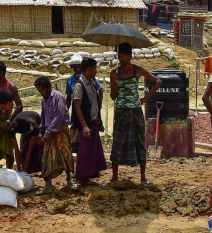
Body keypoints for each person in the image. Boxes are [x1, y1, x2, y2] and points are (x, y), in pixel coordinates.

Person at [108, 42, 162, 186]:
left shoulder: (138, 71)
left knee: (139, 141)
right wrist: (113, 83)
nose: (121, 60)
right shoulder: (114, 73)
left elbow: (157, 82)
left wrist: (145, 98)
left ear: (130, 56)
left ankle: (143, 177)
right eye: (119, 57)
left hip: (136, 111)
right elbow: (113, 96)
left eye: (123, 57)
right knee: (118, 141)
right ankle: (114, 176)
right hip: (120, 111)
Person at [36, 76, 76, 193]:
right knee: (47, 157)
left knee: (65, 154)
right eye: (39, 91)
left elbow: (59, 115)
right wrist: (41, 131)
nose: (41, 93)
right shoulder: (44, 100)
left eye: (42, 90)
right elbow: (43, 117)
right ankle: (48, 185)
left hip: (60, 130)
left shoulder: (58, 97)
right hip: (49, 131)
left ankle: (69, 181)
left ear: (48, 87)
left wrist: (49, 131)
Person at [72, 58, 107, 186]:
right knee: (85, 151)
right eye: (95, 68)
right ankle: (80, 178)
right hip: (86, 124)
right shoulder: (79, 85)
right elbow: (77, 106)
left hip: (93, 121)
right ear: (89, 69)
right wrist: (85, 126)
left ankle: (89, 177)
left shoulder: (92, 83)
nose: (96, 71)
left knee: (93, 151)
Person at [66, 54, 100, 154]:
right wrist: (65, 112)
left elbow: (99, 90)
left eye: (79, 67)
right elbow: (70, 99)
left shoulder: (91, 79)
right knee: (79, 143)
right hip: (79, 115)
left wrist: (99, 108)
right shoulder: (72, 81)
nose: (77, 69)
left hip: (90, 114)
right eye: (75, 67)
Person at [0, 61, 22, 169]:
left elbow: (19, 106)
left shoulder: (11, 86)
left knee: (8, 151)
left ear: (1, 73)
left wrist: (9, 121)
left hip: (5, 122)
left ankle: (8, 172)